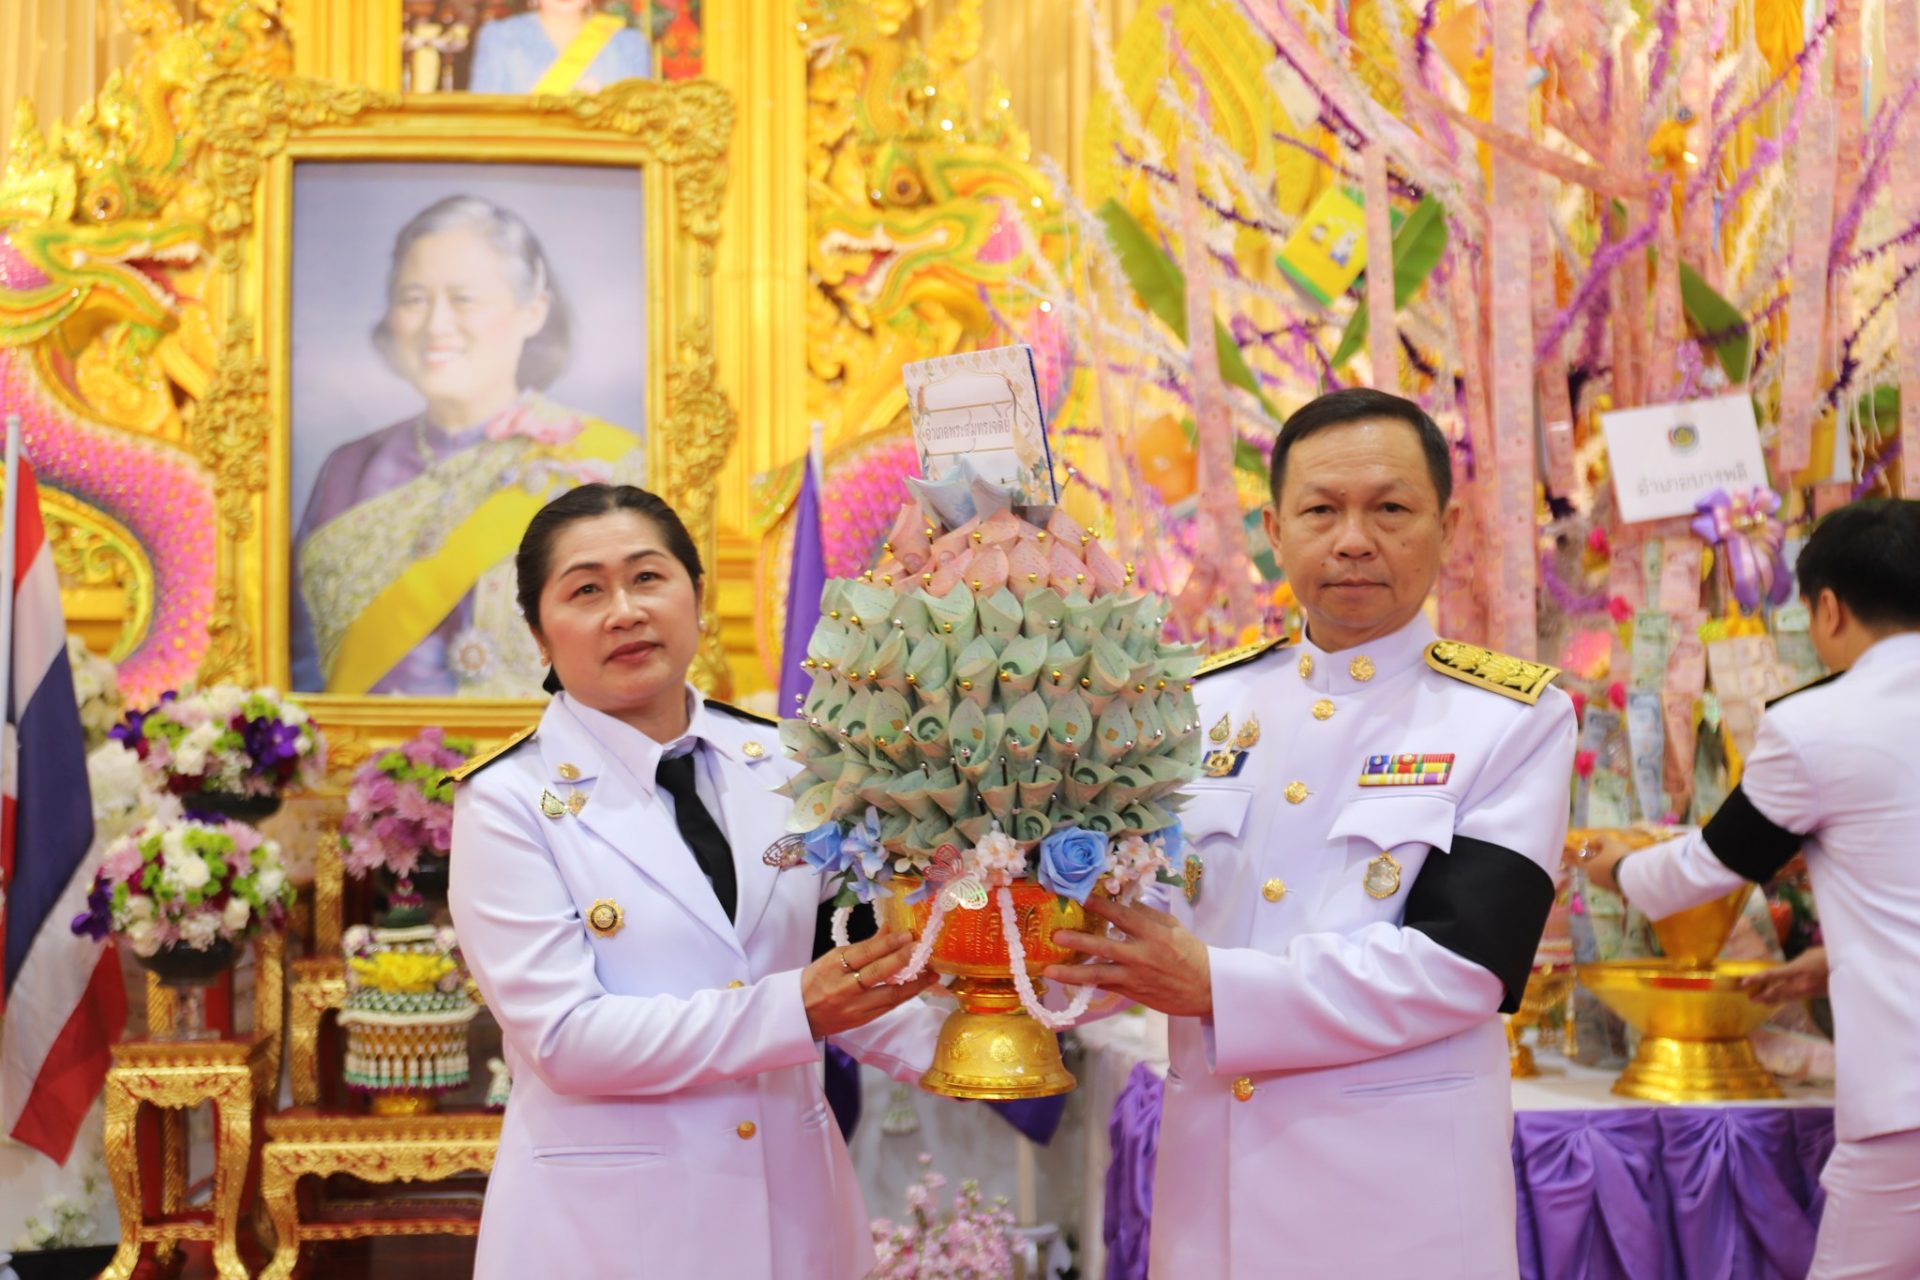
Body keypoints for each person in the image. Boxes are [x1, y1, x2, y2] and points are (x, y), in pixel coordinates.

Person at [1046, 387, 1576, 1277]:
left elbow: (1467, 965)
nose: (1354, 539)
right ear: (1275, 527)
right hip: (1212, 1190)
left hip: (1394, 1201)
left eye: (1391, 509)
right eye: (1321, 510)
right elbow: (1136, 907)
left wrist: (1213, 984)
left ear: (1447, 525)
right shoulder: (1197, 708)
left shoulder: (1510, 720)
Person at [448, 483, 944, 1279]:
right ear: (540, 636)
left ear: (697, 597)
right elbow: (567, 1040)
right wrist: (795, 1008)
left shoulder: (786, 763)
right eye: (586, 590)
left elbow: (842, 963)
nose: (625, 611)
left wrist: (970, 1041)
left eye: (648, 577)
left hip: (792, 1205)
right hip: (615, 1230)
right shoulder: (507, 802)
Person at [1582, 499, 1920, 1280]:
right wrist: (1837, 955)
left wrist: (1618, 869)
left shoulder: (1819, 723)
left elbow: (1712, 865)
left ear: (1828, 608)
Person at [291, 194, 643, 698]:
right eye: (414, 298)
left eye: (464, 299)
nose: (436, 325)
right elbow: (299, 668)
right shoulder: (347, 470)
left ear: (533, 311)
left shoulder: (607, 462)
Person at [467, 0, 651, 95]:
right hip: (522, 161)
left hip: (606, 161)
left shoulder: (629, 45)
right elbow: (484, 118)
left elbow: (642, 121)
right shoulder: (498, 38)